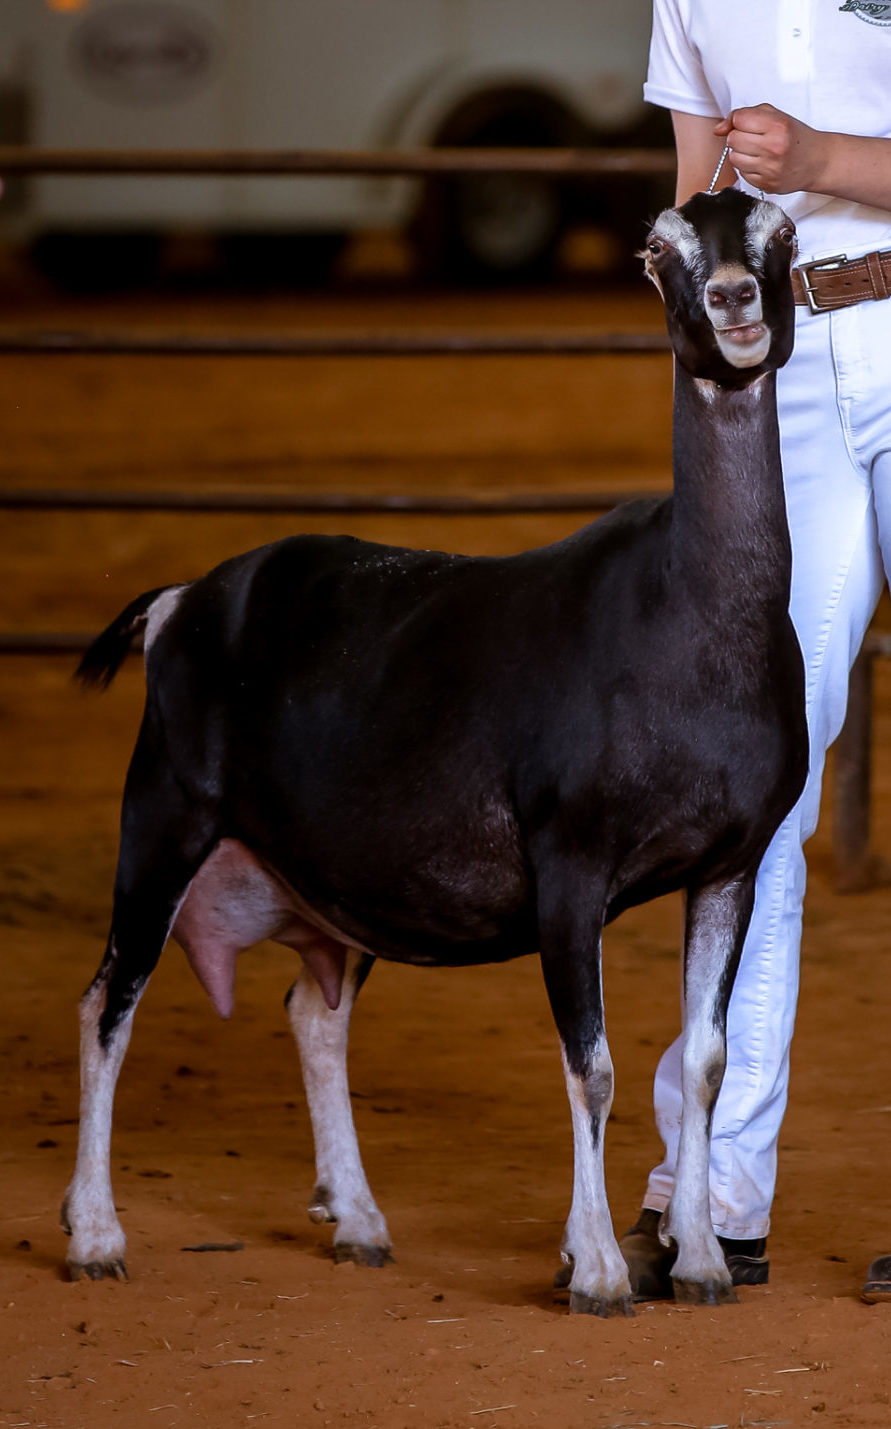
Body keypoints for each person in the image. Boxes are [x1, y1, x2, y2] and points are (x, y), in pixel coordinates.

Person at [621, 0, 891, 1302]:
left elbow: (792, 158)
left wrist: (824, 161)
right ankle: (714, 1179)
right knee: (756, 769)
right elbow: (698, 191)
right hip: (781, 360)